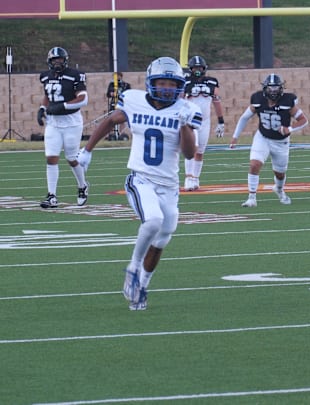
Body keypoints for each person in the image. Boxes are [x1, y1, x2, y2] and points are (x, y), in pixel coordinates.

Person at [76, 57, 199, 310]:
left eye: (171, 83)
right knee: (152, 220)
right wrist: (87, 150)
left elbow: (189, 153)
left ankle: (141, 286)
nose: (166, 88)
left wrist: (185, 125)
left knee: (164, 236)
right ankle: (133, 267)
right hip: (140, 178)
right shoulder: (135, 100)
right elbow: (112, 120)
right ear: (151, 83)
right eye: (161, 83)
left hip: (169, 184)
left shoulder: (186, 109)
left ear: (180, 85)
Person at [230, 74, 308, 207]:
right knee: (254, 164)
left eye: (276, 88)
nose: (273, 91)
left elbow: (304, 121)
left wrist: (289, 128)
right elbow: (244, 118)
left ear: (281, 88)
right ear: (265, 88)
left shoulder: (288, 101)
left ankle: (279, 189)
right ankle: (251, 198)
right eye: (271, 88)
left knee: (280, 173)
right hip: (263, 137)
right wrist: (235, 137)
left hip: (281, 142)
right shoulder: (258, 99)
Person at [36, 46, 90, 209]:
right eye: (54, 60)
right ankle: (52, 196)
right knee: (51, 157)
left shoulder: (75, 75)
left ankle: (82, 185)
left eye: (59, 59)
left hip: (71, 122)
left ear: (65, 60)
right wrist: (42, 108)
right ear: (49, 61)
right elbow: (48, 95)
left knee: (71, 158)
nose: (57, 62)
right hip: (53, 123)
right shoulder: (45, 76)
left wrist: (64, 106)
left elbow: (83, 99)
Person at [182, 55, 226, 191]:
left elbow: (216, 101)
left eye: (200, 67)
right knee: (192, 148)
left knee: (200, 151)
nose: (197, 70)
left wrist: (221, 121)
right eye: (195, 68)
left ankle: (195, 178)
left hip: (205, 121)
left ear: (204, 68)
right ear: (190, 69)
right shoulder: (185, 81)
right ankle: (188, 178)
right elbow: (180, 99)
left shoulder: (212, 82)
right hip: (190, 119)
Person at [105, 72, 131, 140]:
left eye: (118, 76)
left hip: (122, 104)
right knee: (112, 119)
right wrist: (112, 93)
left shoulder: (125, 85)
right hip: (114, 103)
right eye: (115, 76)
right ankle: (112, 134)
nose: (117, 77)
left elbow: (129, 94)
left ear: (121, 76)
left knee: (122, 120)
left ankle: (122, 134)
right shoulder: (112, 84)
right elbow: (108, 94)